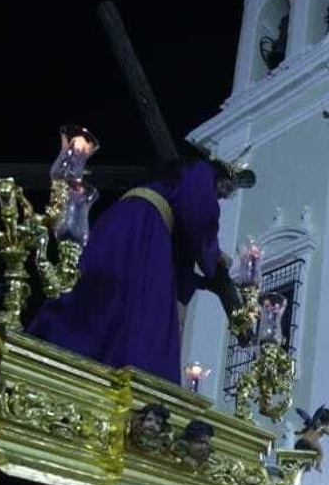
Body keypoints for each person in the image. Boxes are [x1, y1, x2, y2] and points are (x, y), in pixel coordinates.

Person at [27, 153, 254, 384]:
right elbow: (200, 214)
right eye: (226, 189)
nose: (222, 196)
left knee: (104, 298)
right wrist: (215, 258)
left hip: (119, 226)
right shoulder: (201, 171)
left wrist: (205, 282)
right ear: (219, 175)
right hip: (144, 227)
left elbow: (178, 266)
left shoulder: (167, 192)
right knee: (146, 313)